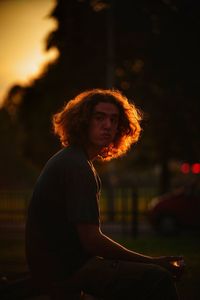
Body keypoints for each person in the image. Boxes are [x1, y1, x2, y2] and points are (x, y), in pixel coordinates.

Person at [25, 88, 184, 300]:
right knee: (158, 277)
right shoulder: (76, 166)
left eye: (114, 119)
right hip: (64, 271)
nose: (108, 125)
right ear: (82, 121)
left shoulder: (76, 160)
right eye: (99, 117)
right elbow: (92, 241)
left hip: (62, 266)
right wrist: (153, 262)